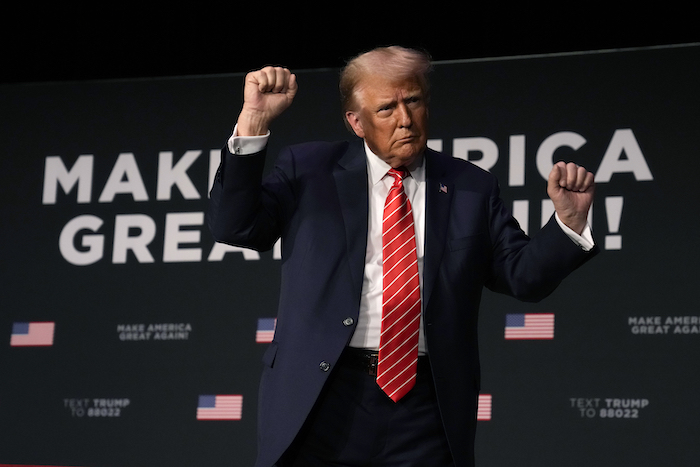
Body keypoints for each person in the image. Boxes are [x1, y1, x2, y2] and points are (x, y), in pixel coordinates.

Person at [208, 46, 597, 467]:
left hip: (425, 406)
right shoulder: (310, 169)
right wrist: (254, 121)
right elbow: (235, 226)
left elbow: (523, 276)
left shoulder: (470, 187)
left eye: (412, 101)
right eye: (386, 108)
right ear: (356, 122)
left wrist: (567, 224)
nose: (405, 119)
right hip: (322, 396)